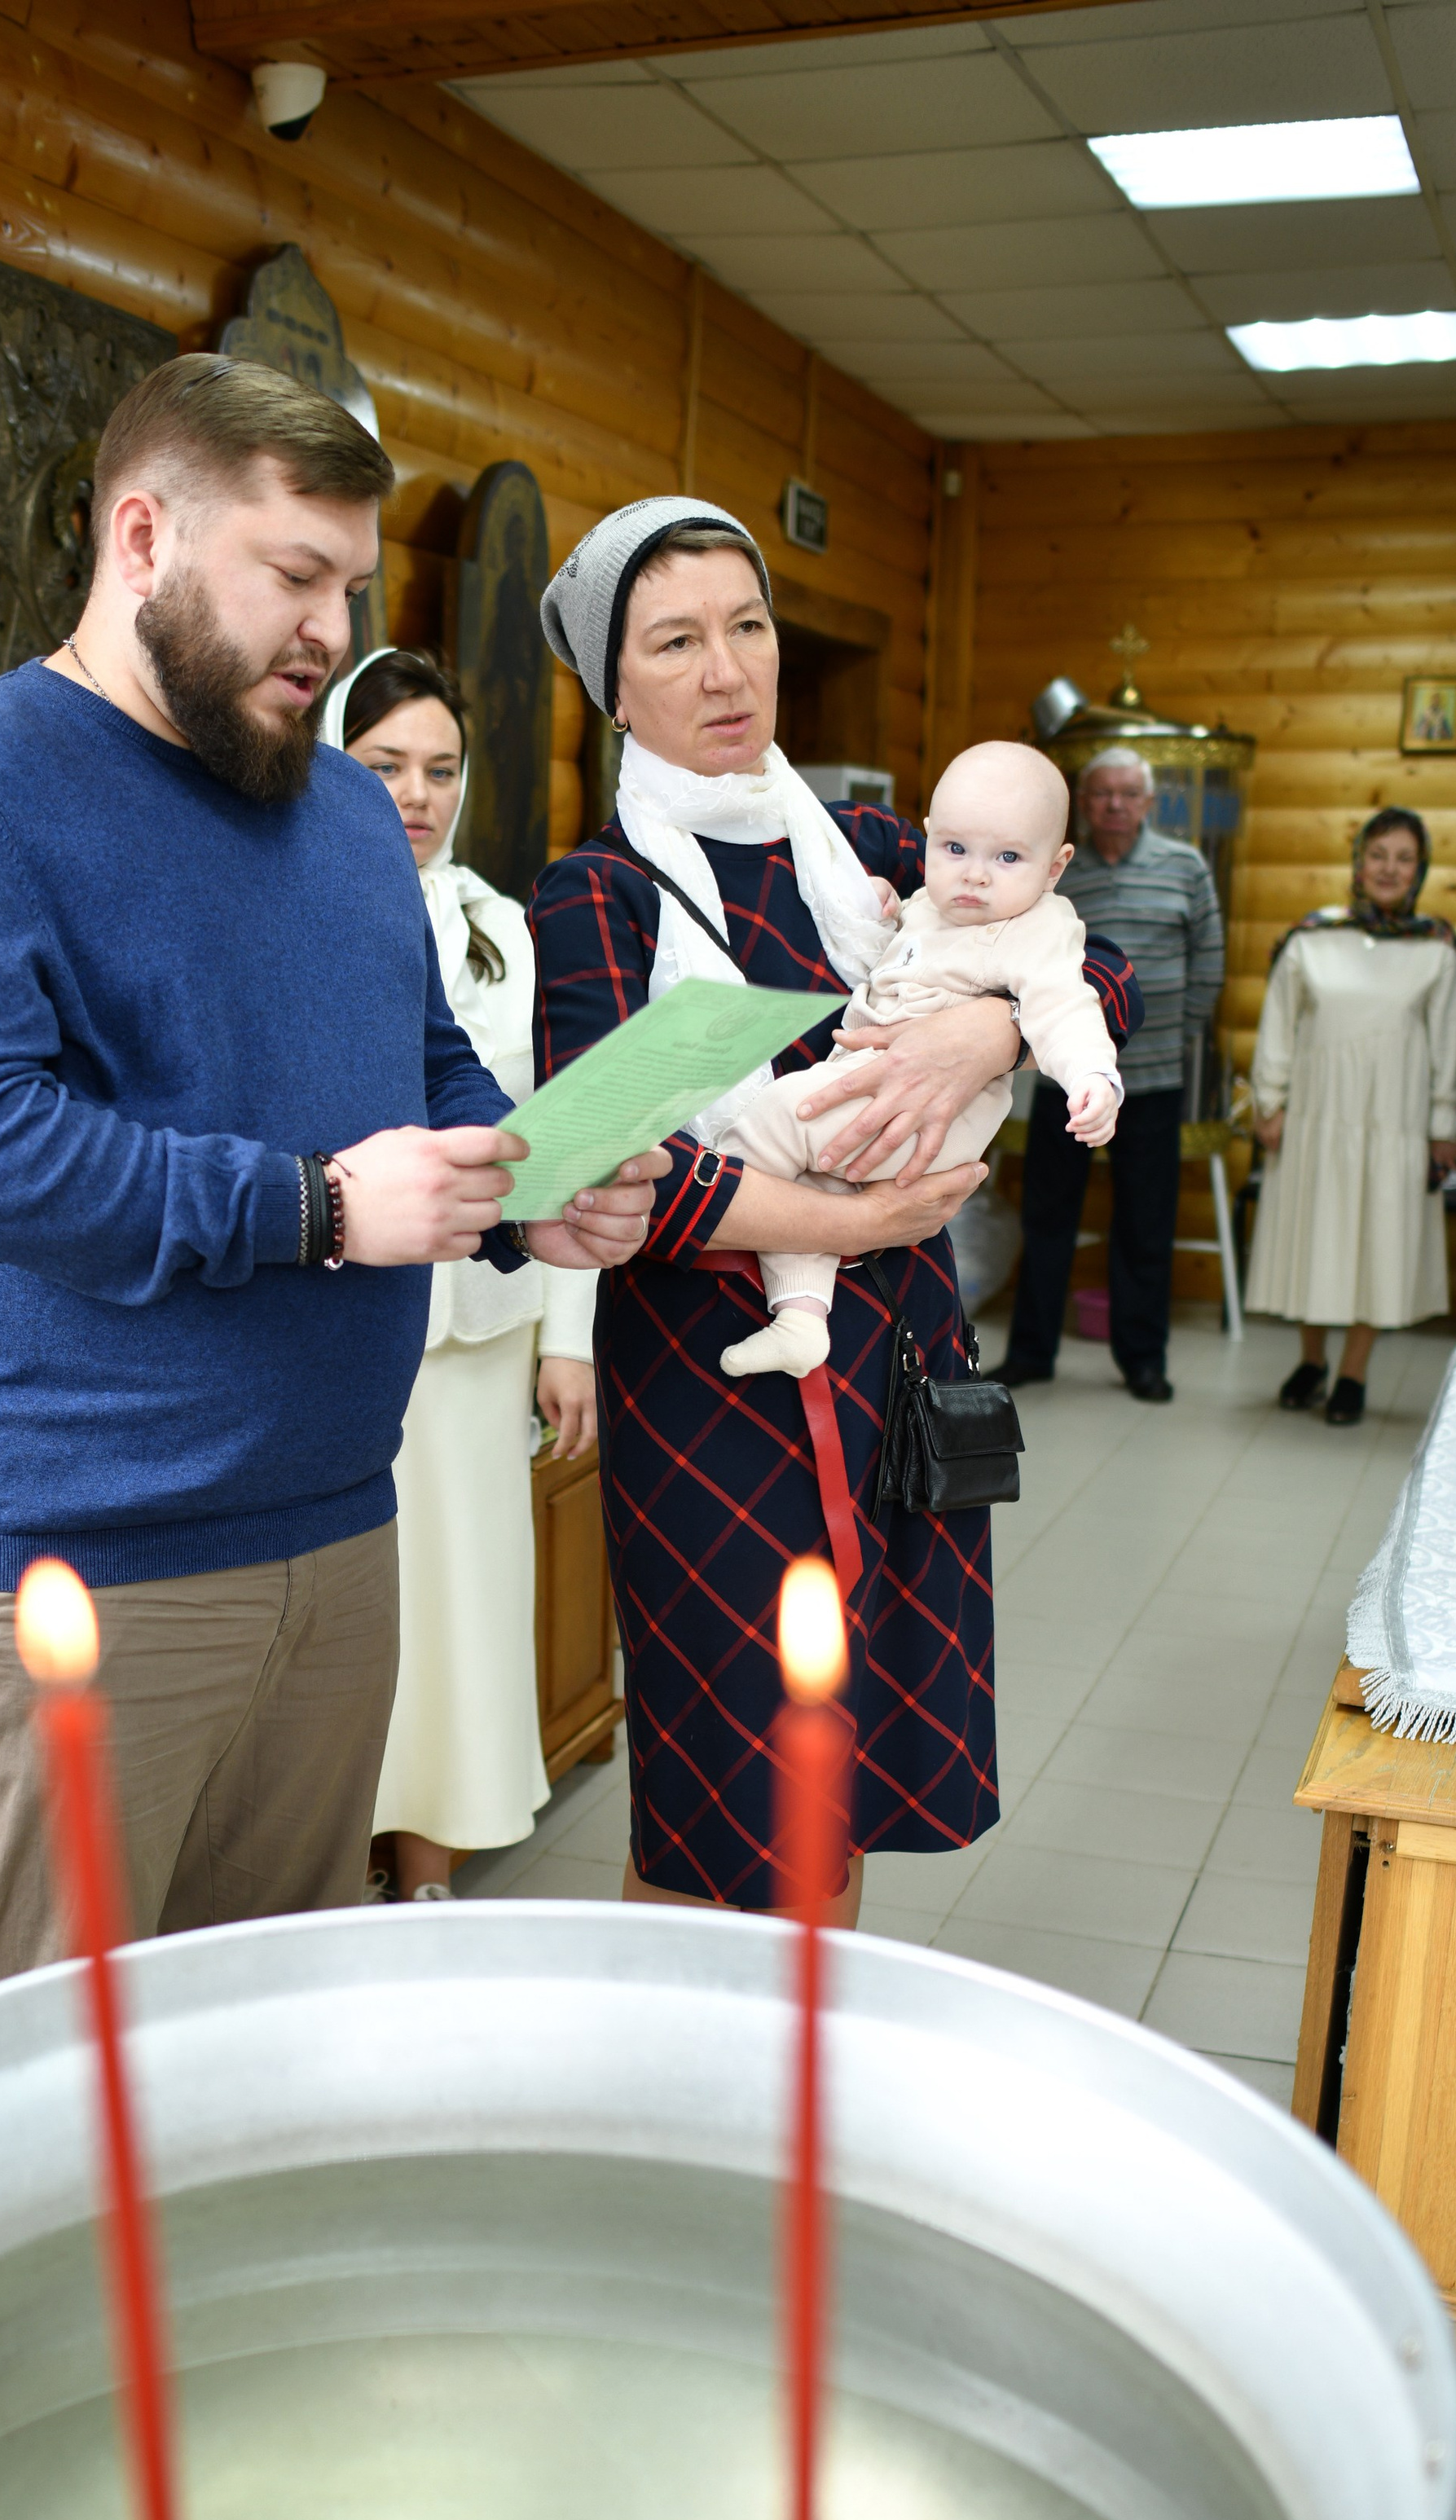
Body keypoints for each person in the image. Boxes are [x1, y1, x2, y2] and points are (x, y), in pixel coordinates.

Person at [0, 355, 656, 1994]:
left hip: (341, 1527)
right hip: (74, 1552)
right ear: (141, 540)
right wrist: (325, 1212)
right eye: (292, 578)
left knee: (266, 2049)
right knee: (62, 2090)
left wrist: (526, 1195)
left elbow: (417, 1066)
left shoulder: (348, 820)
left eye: (347, 586)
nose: (332, 633)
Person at [531, 495, 1141, 1920]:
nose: (728, 671)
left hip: (896, 1364)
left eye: (747, 627)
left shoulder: (865, 844)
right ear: (612, 685)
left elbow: (1089, 953)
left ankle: (803, 2087)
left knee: (846, 1777)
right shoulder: (599, 895)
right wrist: (848, 1224)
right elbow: (598, 1166)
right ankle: (690, 2107)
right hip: (711, 1395)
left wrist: (983, 1038)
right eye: (676, 641)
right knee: (726, 1790)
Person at [327, 645, 596, 1901]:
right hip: (335, 1322)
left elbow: (555, 1134)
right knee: (352, 1612)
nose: (418, 796)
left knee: (456, 1604)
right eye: (386, 767)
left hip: (480, 1332)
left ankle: (427, 1864)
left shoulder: (504, 926)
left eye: (440, 770)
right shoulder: (298, 904)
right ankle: (331, 1856)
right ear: (333, 757)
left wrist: (570, 1337)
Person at [720, 741, 1121, 1379]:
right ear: (930, 838)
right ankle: (800, 1319)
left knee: (775, 1115)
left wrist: (1092, 1077)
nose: (975, 875)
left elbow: (1069, 1006)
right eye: (955, 850)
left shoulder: (1039, 927)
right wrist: (879, 899)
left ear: (1055, 866)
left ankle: (710, 1200)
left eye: (1009, 857)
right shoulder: (930, 904)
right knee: (812, 1188)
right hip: (880, 1110)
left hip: (926, 1123)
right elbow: (899, 950)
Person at [999, 743, 1224, 1405]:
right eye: (1102, 793)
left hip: (1151, 1083)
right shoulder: (1055, 872)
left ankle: (1142, 1360)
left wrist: (1164, 1039)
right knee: (1047, 1219)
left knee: (1145, 1226)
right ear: (1083, 800)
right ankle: (1032, 1353)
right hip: (1062, 1081)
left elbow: (1207, 966)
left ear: (1149, 803)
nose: (1116, 805)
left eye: (1129, 794)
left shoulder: (1185, 868)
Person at [1247, 806, 1456, 1427]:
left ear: (1419, 869)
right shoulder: (1311, 939)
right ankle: (1312, 1359)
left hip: (1394, 1124)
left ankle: (1354, 1371)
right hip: (1318, 1116)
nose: (1390, 869)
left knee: (1379, 1238)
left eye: (1404, 859)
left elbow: (1449, 1046)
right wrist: (1270, 1101)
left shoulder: (1439, 951)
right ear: (1358, 862)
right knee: (1317, 1233)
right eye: (1379, 856)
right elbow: (1277, 1029)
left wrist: (1443, 1128)